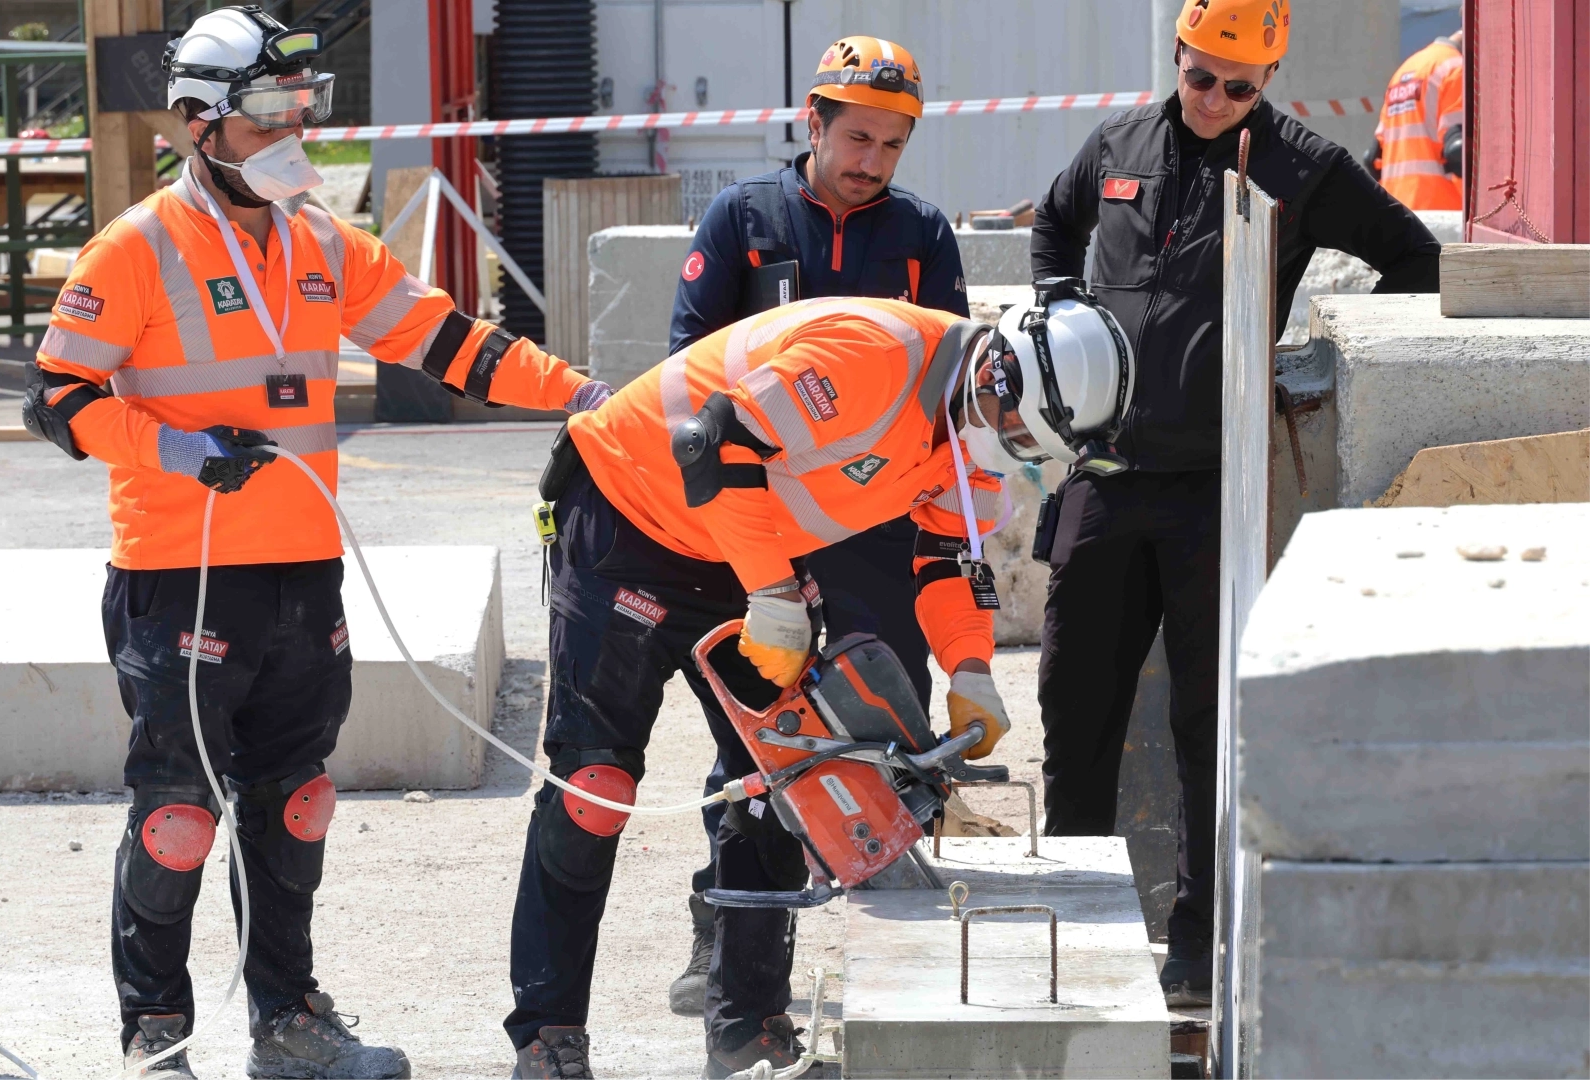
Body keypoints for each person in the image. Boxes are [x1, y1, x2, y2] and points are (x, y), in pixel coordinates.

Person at [23, 8, 610, 1077]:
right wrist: (180, 448)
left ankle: (288, 1025)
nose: (291, 134)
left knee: (294, 806)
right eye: (267, 116)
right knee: (177, 817)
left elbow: (449, 341)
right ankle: (155, 1038)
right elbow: (57, 398)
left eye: (300, 111)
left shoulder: (319, 240)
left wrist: (584, 397)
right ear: (201, 123)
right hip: (182, 576)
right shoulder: (138, 246)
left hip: (302, 572)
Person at [503, 288, 1136, 1080]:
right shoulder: (872, 356)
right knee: (593, 793)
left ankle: (749, 1036)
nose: (1012, 451)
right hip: (631, 517)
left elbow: (945, 559)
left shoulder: (976, 432)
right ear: (994, 374)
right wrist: (772, 593)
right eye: (1016, 432)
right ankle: (548, 1036)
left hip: (744, 543)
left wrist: (970, 667)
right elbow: (713, 442)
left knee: (786, 789)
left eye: (1032, 446)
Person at [1029, 0, 1441, 1008]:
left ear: (1268, 83)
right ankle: (1074, 935)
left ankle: (1195, 948)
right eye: (1200, 75)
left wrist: (1316, 361)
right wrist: (1061, 317)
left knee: (1208, 728)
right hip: (1105, 475)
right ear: (1178, 54)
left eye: (1238, 87)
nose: (1214, 99)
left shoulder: (1302, 166)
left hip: (1216, 489)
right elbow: (1051, 226)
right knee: (1075, 707)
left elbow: (1415, 257)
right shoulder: (1119, 144)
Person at [664, 35, 969, 1021]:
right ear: (815, 121)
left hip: (875, 528)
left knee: (890, 723)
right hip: (762, 529)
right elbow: (690, 370)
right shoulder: (744, 218)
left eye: (893, 144)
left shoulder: (922, 236)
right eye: (858, 138)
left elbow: (949, 389)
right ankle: (730, 943)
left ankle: (898, 949)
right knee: (758, 740)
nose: (872, 160)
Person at [1363, 29, 1464, 210]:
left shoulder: (1405, 70)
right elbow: (1458, 150)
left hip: (1396, 207)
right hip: (1441, 208)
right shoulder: (1456, 67)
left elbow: (1373, 157)